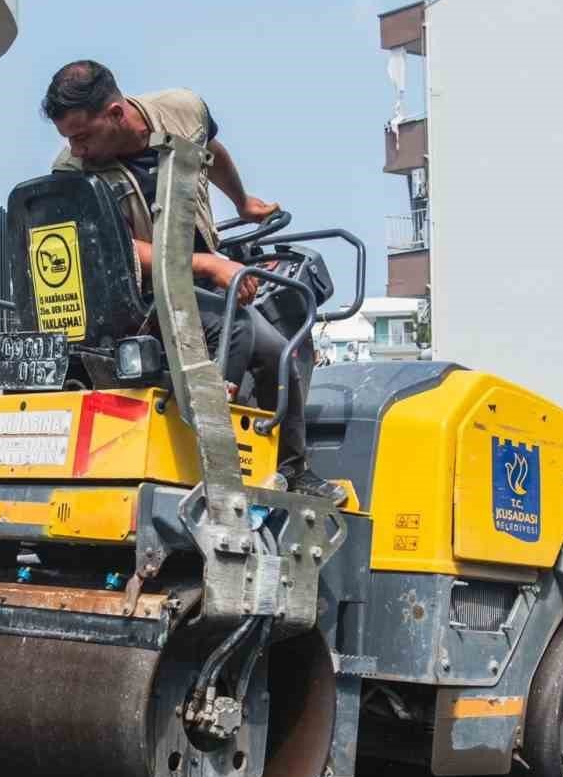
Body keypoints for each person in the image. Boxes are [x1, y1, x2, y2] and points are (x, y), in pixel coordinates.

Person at [41, 60, 343, 503]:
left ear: (116, 113)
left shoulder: (183, 112)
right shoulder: (70, 174)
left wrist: (241, 201)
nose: (77, 149)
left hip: (194, 284)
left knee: (282, 353)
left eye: (83, 136)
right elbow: (106, 251)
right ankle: (214, 467)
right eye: (69, 139)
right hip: (135, 299)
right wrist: (207, 264)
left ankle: (290, 470)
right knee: (233, 328)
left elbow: (212, 152)